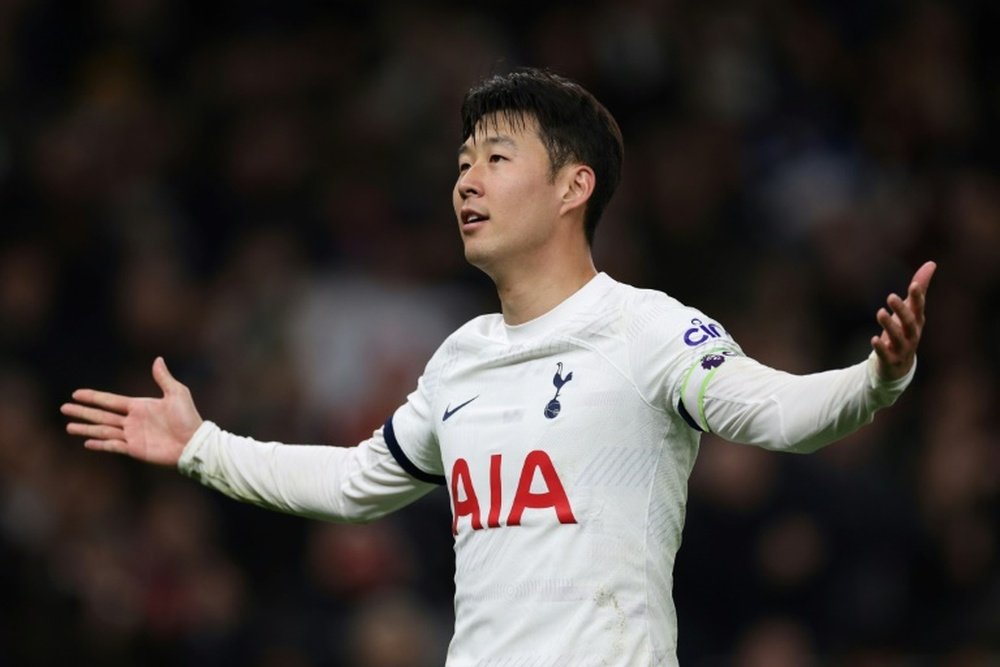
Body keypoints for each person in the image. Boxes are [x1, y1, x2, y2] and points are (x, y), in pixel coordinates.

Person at [62, 68, 935, 666]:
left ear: (572, 187)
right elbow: (351, 482)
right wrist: (201, 445)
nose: (466, 181)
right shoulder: (461, 359)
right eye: (462, 162)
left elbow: (781, 413)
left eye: (496, 157)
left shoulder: (645, 329)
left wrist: (876, 377)